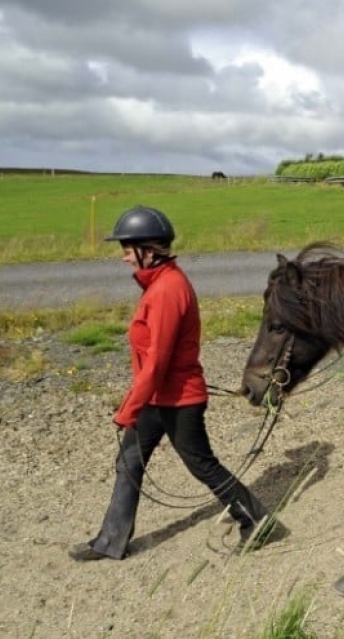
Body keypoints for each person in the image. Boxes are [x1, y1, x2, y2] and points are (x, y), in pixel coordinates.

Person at [69, 205, 283, 561]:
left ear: (148, 250)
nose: (123, 258)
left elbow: (157, 361)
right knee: (129, 463)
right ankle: (110, 542)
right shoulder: (158, 285)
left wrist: (127, 410)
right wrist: (137, 403)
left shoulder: (169, 289)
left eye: (126, 250)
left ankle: (257, 521)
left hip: (178, 400)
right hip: (156, 398)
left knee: (202, 465)